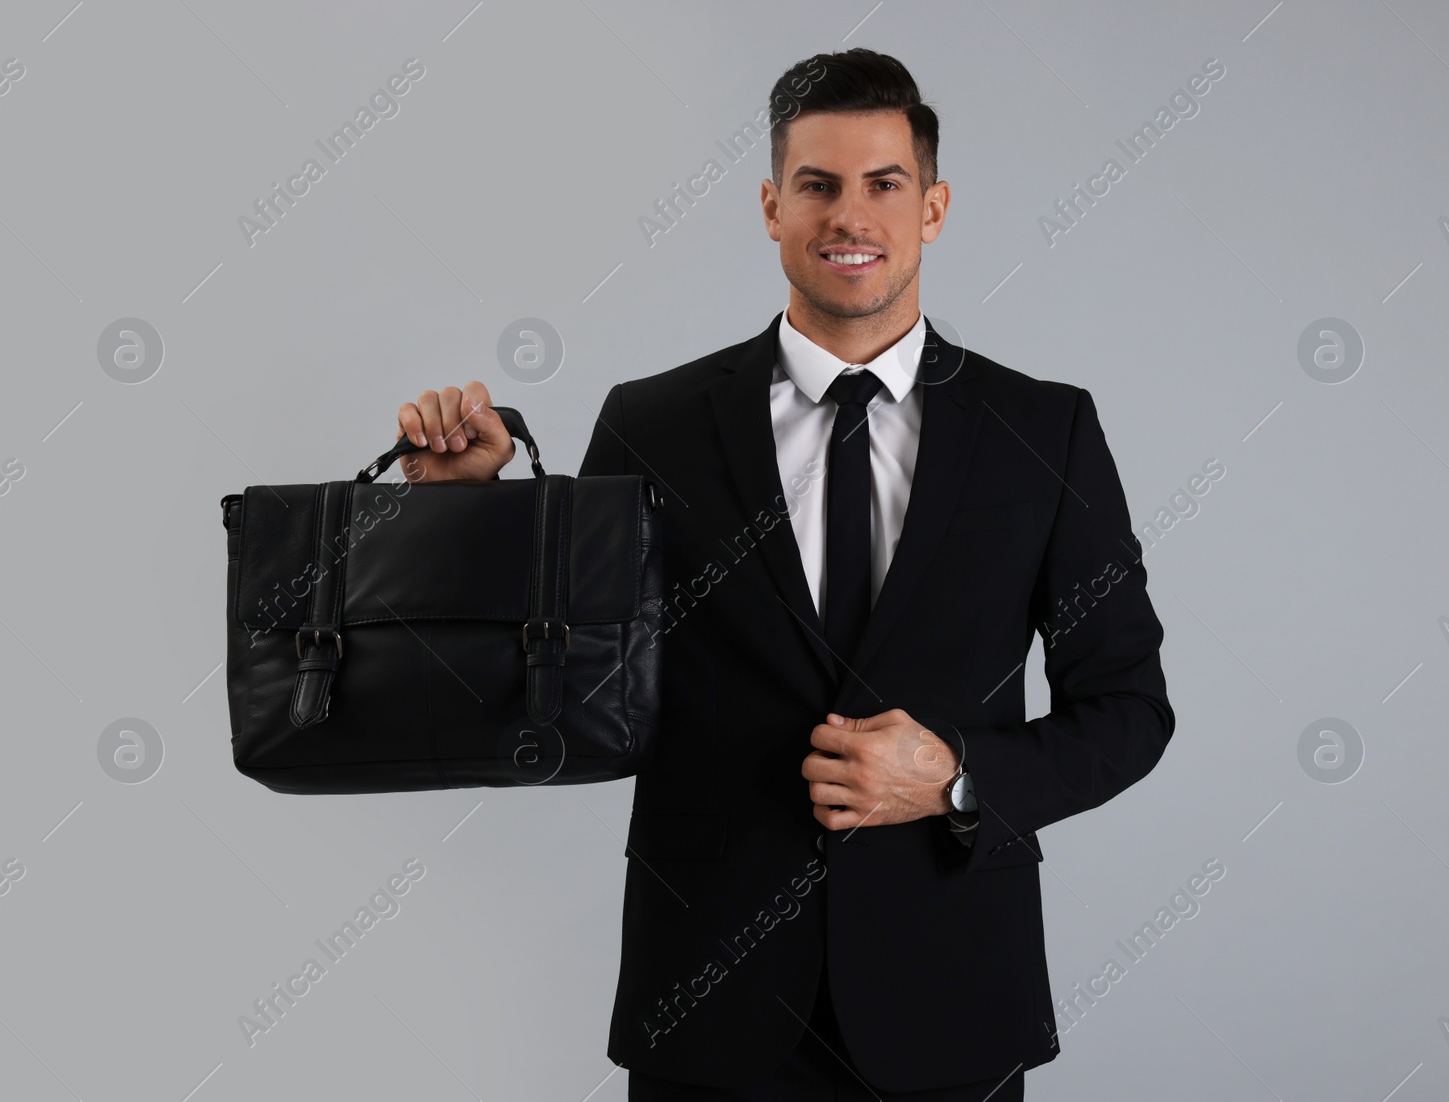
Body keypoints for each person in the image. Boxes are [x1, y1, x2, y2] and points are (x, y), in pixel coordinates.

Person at [394, 47, 1174, 1102]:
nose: (849, 215)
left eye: (882, 184)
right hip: (707, 1003)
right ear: (771, 206)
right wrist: (472, 517)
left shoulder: (1042, 430)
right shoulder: (653, 423)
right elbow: (568, 697)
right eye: (817, 185)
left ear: (932, 207)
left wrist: (955, 777)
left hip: (949, 997)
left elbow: (1129, 708)